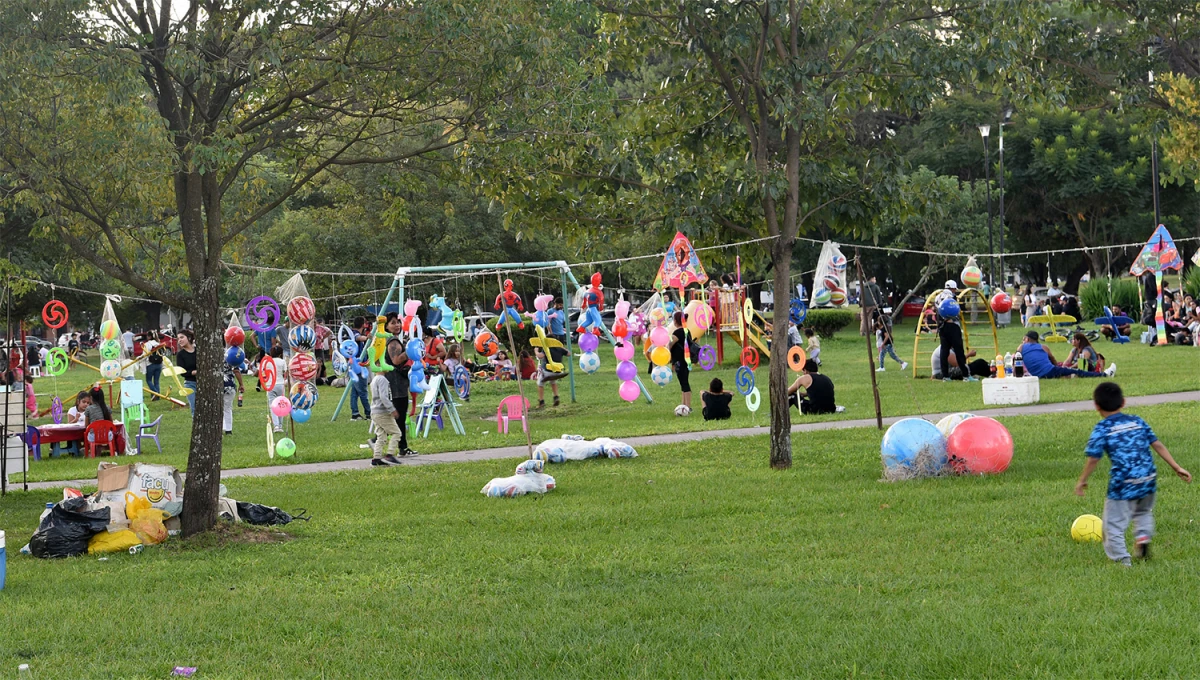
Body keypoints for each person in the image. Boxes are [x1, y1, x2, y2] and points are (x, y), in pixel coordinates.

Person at [1076, 382, 1191, 564]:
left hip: (1123, 483)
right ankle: (1143, 537)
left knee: (1113, 525)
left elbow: (1093, 458)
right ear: (1123, 402)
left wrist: (1082, 480)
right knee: (1143, 511)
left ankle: (1123, 561)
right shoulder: (1137, 421)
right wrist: (1176, 467)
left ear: (1096, 406)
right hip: (1148, 478)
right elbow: (1157, 444)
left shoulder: (1102, 429)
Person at [1020, 330, 1114, 379]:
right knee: (1077, 371)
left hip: (1035, 375)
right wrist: (1060, 367)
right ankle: (1104, 375)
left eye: (1024, 339)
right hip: (1049, 371)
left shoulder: (1021, 347)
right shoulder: (1043, 347)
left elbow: (1015, 361)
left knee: (1066, 370)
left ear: (1027, 339)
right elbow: (1053, 360)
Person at [368, 364, 405, 467]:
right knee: (396, 433)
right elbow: (384, 397)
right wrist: (392, 409)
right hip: (382, 412)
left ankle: (376, 459)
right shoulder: (383, 380)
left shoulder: (374, 379)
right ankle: (390, 454)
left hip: (375, 411)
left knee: (381, 436)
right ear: (379, 365)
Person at [937, 314, 975, 382]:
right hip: (951, 326)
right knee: (959, 351)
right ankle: (966, 375)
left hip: (942, 326)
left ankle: (945, 376)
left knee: (944, 351)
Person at [348, 317, 372, 421]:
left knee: (355, 391)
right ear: (363, 324)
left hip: (356, 365)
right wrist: (367, 337)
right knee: (363, 390)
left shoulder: (353, 333)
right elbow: (358, 338)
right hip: (358, 366)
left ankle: (355, 413)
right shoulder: (354, 333)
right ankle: (368, 412)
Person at [669, 311, 692, 412]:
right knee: (683, 382)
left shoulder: (677, 333)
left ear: (675, 321)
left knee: (684, 383)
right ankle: (684, 404)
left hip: (680, 360)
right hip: (686, 359)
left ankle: (687, 406)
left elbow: (670, 344)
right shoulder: (687, 331)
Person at [221, 352, 244, 435]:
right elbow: (236, 370)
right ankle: (228, 429)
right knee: (227, 408)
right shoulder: (230, 355)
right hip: (229, 386)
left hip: (216, 385)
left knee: (219, 408)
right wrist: (241, 384)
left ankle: (222, 427)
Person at [175, 330, 198, 415]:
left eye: (182, 337)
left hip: (203, 383)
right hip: (190, 384)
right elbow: (182, 372)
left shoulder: (198, 350)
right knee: (194, 408)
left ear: (189, 338)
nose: (179, 340)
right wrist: (194, 372)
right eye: (178, 339)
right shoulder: (180, 355)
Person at [266, 347, 288, 432]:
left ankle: (276, 426)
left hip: (270, 385)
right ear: (280, 354)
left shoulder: (268, 362)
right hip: (280, 384)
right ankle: (280, 425)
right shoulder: (282, 362)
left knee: (272, 405)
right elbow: (286, 372)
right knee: (281, 405)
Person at [144, 331, 164, 399]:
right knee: (156, 381)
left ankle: (155, 393)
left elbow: (144, 355)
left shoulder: (147, 344)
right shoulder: (158, 343)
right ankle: (157, 397)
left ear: (149, 336)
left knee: (148, 380)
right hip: (159, 364)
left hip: (150, 364)